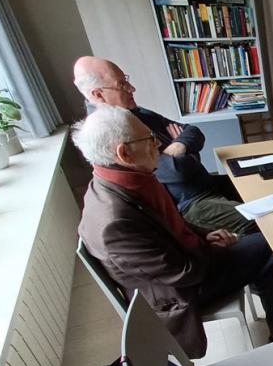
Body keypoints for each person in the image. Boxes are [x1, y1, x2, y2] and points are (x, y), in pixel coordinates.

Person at [73, 105, 273, 357]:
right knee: (271, 244)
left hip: (186, 260)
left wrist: (204, 234)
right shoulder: (115, 221)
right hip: (182, 291)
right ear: (124, 153)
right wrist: (213, 248)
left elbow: (172, 222)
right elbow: (183, 274)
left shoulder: (126, 178)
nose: (159, 146)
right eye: (149, 139)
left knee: (260, 241)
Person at [72, 56, 258, 236]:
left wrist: (178, 147)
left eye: (126, 80)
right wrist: (188, 152)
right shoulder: (106, 134)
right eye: (122, 85)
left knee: (263, 184)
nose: (132, 88)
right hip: (192, 205)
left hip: (205, 184)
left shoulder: (136, 112)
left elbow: (193, 131)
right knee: (267, 218)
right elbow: (177, 172)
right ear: (98, 95)